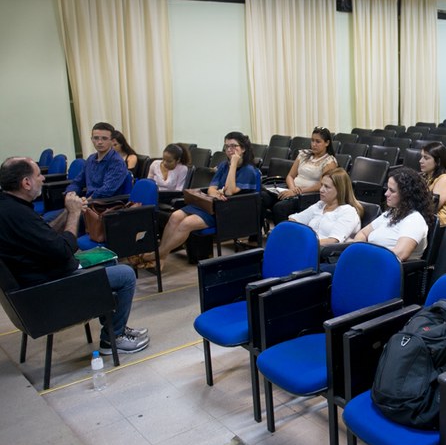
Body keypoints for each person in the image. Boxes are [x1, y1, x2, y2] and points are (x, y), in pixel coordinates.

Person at [0, 157, 149, 353]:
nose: (43, 178)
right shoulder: (18, 215)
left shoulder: (9, 206)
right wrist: (73, 215)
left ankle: (114, 328)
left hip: (38, 280)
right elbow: (64, 250)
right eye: (38, 175)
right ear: (26, 183)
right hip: (48, 289)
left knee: (110, 263)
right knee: (126, 274)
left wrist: (70, 210)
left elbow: (46, 235)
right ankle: (112, 340)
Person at [157, 131, 260, 269]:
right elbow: (212, 187)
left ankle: (156, 255)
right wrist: (216, 193)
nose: (229, 150)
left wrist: (234, 164)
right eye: (227, 146)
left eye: (234, 146)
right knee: (175, 216)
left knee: (186, 223)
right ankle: (161, 257)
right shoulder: (224, 165)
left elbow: (229, 191)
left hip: (229, 211)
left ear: (243, 149)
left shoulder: (249, 170)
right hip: (213, 204)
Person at [352, 167, 433, 261]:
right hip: (368, 261)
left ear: (406, 194)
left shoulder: (414, 220)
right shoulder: (391, 212)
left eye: (392, 191)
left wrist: (366, 256)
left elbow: (400, 254)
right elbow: (362, 233)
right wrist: (358, 252)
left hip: (384, 268)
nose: (386, 193)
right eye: (387, 189)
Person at [263, 127, 338, 225]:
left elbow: (322, 185)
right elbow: (290, 176)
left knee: (279, 207)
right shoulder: (303, 154)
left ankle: (284, 237)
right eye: (312, 140)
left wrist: (297, 192)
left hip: (307, 196)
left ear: (327, 143)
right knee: (262, 198)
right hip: (293, 190)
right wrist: (293, 189)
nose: (314, 144)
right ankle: (256, 236)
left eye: (318, 141)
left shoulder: (329, 161)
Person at [289, 167, 363, 245]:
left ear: (340, 190)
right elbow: (294, 220)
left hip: (323, 253)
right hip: (307, 246)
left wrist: (304, 244)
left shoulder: (348, 212)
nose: (321, 190)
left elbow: (333, 241)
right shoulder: (320, 205)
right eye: (321, 185)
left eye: (327, 187)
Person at [65, 122, 130, 199]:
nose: (99, 142)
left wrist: (85, 202)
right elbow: (78, 182)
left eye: (104, 138)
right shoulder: (91, 159)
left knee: (72, 209)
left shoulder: (116, 162)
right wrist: (70, 194)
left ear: (112, 141)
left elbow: (106, 190)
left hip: (106, 205)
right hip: (88, 202)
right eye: (96, 138)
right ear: (91, 139)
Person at [419, 141, 446, 226]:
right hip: (425, 220)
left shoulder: (444, 179)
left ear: (438, 161)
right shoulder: (425, 176)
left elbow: (431, 207)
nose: (421, 161)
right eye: (421, 157)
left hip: (439, 226)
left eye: (426, 158)